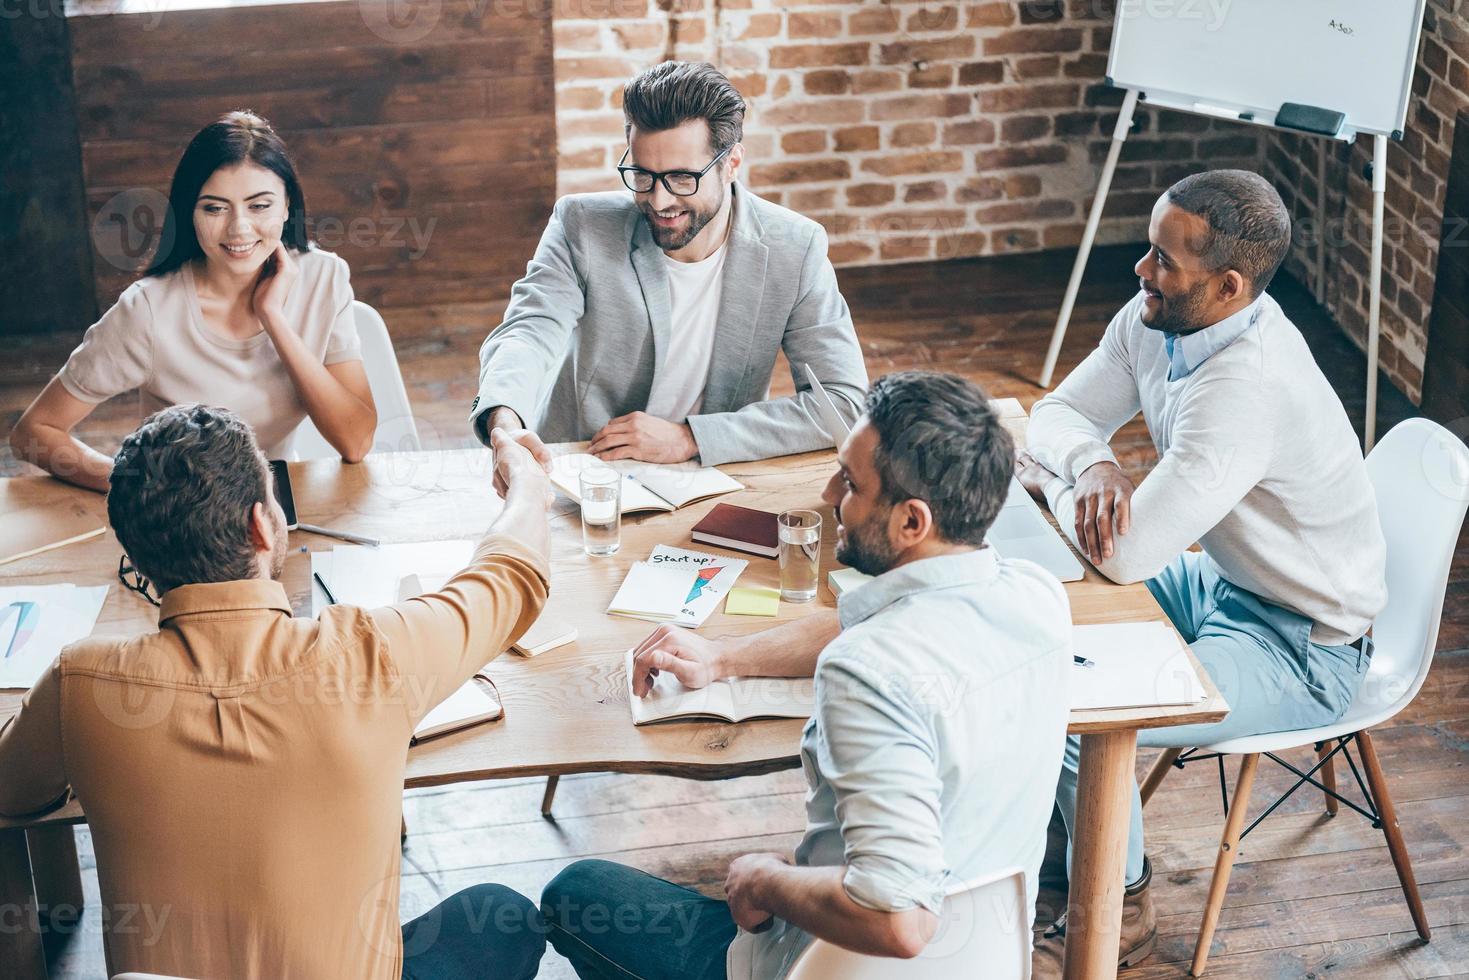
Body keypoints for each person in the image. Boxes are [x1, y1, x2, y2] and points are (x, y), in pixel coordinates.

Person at [540, 371, 1073, 979]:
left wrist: (763, 880)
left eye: (850, 482)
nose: (827, 494)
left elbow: (897, 919)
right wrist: (723, 658)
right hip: (988, 962)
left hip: (817, 966)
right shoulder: (1039, 599)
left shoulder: (866, 672)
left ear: (911, 522)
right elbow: (878, 621)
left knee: (576, 892)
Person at [0, 404, 552, 979]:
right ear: (262, 526)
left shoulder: (80, 686)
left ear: (138, 557)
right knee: (501, 915)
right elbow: (511, 576)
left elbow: (12, 795)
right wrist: (527, 481)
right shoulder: (371, 654)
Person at [1015, 169, 1388, 975]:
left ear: (1227, 286)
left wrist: (1053, 476)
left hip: (1303, 645)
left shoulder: (1244, 388)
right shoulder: (1160, 316)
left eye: (1163, 260)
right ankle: (1058, 864)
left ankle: (1118, 912)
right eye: (1149, 249)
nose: (1140, 271)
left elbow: (1121, 553)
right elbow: (1056, 414)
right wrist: (1093, 462)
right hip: (1221, 580)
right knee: (1030, 619)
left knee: (1077, 712)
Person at [471, 61, 868, 467]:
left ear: (731, 163)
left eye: (681, 178)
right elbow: (527, 332)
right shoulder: (582, 225)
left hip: (713, 470)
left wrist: (690, 438)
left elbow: (843, 402)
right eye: (643, 175)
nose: (659, 201)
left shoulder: (796, 249)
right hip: (582, 468)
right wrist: (506, 422)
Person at [10, 111, 377, 492]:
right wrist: (140, 486)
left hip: (277, 505)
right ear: (189, 213)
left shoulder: (323, 278)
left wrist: (273, 318)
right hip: (180, 521)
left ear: (287, 206)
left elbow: (355, 441)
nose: (239, 229)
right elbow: (33, 434)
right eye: (215, 208)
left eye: (259, 206)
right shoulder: (148, 310)